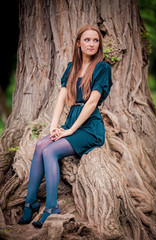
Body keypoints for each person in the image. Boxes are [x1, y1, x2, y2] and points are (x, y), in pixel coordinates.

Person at [18, 24, 113, 228]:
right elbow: (62, 97)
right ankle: (30, 201)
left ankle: (52, 207)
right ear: (78, 43)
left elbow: (92, 103)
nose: (91, 44)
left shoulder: (102, 68)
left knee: (50, 152)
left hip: (90, 128)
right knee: (40, 146)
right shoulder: (72, 67)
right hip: (72, 122)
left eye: (95, 40)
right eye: (87, 40)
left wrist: (70, 130)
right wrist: (54, 126)